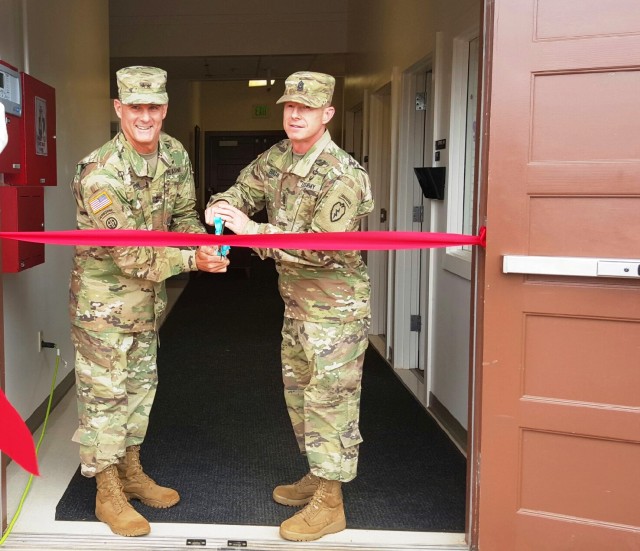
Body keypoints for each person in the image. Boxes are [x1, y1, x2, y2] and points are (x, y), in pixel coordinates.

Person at [205, 71, 373, 542]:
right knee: (300, 397)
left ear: (328, 114)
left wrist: (252, 232)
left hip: (334, 312)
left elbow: (322, 249)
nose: (295, 115)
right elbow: (245, 189)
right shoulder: (279, 155)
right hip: (297, 305)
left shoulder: (342, 174)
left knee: (331, 403)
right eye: (289, 106)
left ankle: (331, 504)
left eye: (307, 107)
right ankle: (320, 476)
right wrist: (221, 205)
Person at [69, 66, 229, 537]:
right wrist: (193, 262)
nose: (145, 116)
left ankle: (131, 472)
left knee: (139, 394)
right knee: (104, 401)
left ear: (164, 108)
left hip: (147, 307)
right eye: (135, 107)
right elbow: (133, 255)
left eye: (153, 107)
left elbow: (182, 216)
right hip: (104, 312)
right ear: (119, 109)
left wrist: (203, 244)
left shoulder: (175, 153)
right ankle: (106, 492)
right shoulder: (99, 173)